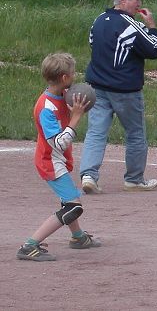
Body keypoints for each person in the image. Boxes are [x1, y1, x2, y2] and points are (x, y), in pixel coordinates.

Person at [79, 0, 157, 193]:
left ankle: (88, 176)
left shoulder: (99, 20)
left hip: (97, 86)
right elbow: (155, 50)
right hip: (125, 90)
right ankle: (134, 179)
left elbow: (93, 43)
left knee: (96, 132)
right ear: (124, 0)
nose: (139, 3)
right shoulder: (130, 26)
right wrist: (153, 27)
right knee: (135, 133)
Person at [17, 53, 101, 261]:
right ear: (64, 77)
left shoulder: (61, 95)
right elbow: (59, 143)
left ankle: (78, 237)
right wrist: (76, 118)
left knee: (67, 198)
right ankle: (29, 245)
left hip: (57, 159)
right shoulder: (46, 108)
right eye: (72, 74)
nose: (75, 77)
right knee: (74, 207)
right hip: (50, 162)